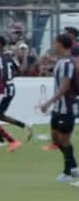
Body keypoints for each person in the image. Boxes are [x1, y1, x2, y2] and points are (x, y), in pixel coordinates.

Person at [36, 34, 78, 183]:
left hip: (66, 108)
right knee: (56, 139)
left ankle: (69, 171)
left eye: (55, 43)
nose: (53, 46)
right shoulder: (62, 62)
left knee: (64, 140)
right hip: (58, 108)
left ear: (60, 45)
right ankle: (72, 166)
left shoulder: (68, 63)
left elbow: (65, 87)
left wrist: (48, 102)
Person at [0, 34, 31, 142]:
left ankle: (1, 141)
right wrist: (25, 56)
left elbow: (2, 74)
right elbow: (21, 70)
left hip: (2, 89)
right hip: (11, 89)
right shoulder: (9, 56)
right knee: (0, 116)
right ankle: (25, 126)